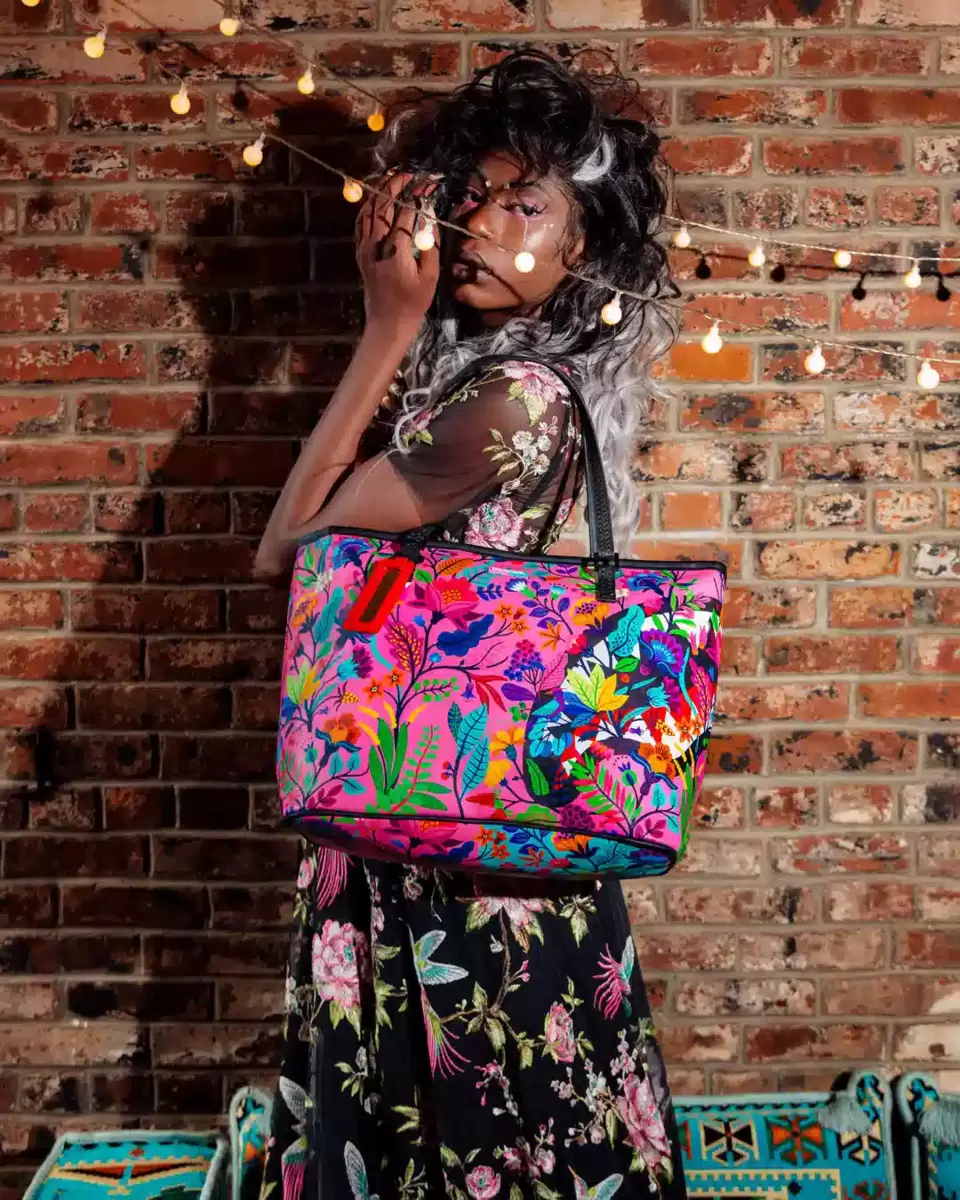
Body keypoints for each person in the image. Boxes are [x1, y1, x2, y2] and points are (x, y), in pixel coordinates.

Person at [254, 51, 684, 1200]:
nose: (483, 225)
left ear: (586, 245)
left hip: (449, 850)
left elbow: (288, 554)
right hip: (487, 823)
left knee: (467, 1123)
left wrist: (383, 328)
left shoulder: (513, 403)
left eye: (525, 205)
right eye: (475, 196)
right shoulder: (514, 387)